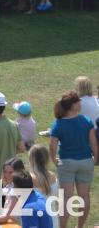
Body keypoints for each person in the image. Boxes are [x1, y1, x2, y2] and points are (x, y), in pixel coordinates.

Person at [50, 92, 97, 228]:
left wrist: (54, 160)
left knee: (66, 199)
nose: (81, 103)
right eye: (78, 101)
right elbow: (93, 143)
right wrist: (95, 158)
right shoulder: (87, 121)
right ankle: (80, 226)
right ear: (73, 105)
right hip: (86, 161)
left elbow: (52, 147)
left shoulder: (58, 124)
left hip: (66, 163)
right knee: (84, 197)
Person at [27, 144, 58, 228]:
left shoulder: (28, 179)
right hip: (53, 221)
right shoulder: (53, 177)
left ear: (31, 159)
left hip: (34, 221)